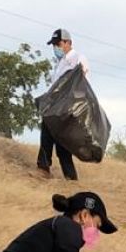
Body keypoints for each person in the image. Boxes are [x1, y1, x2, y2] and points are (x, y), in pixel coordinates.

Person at [36, 28, 91, 180]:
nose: (56, 48)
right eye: (54, 45)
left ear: (68, 42)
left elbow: (82, 82)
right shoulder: (60, 63)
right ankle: (71, 179)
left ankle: (43, 168)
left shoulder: (78, 59)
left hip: (68, 107)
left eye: (58, 44)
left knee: (47, 132)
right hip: (56, 104)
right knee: (62, 146)